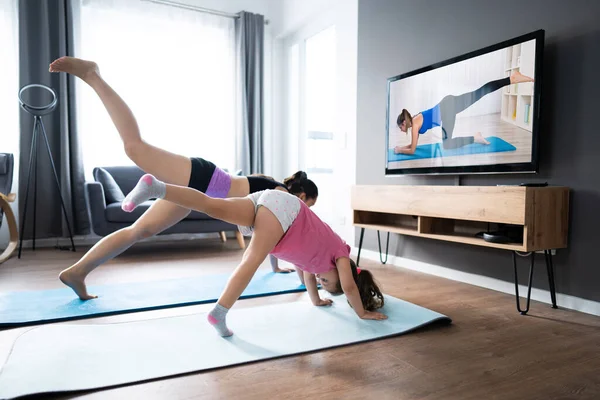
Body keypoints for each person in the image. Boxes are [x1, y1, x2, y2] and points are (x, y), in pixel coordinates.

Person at [48, 56, 318, 299]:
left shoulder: (270, 184)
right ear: (302, 196)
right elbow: (287, 237)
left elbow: (270, 237)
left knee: (138, 231)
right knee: (135, 148)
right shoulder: (282, 196)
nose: (304, 210)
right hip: (209, 180)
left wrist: (277, 265)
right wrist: (305, 276)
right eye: (309, 205)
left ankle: (78, 272)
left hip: (199, 191)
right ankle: (93, 74)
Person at [119, 173, 388, 335]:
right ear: (345, 272)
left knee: (212, 206)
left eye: (323, 285)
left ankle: (155, 188)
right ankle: (220, 312)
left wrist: (316, 300)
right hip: (286, 211)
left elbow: (308, 277)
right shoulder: (340, 254)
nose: (320, 280)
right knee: (251, 260)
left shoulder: (314, 264)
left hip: (269, 202)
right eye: (327, 282)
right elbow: (350, 286)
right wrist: (361, 312)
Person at [394, 71, 534, 154]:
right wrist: (401, 148)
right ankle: (476, 137)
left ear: (404, 122)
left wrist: (400, 150)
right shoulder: (414, 122)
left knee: (479, 93)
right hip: (447, 107)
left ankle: (511, 78)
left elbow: (412, 150)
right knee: (479, 93)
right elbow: (413, 146)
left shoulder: (415, 126)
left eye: (400, 127)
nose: (401, 130)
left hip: (447, 109)